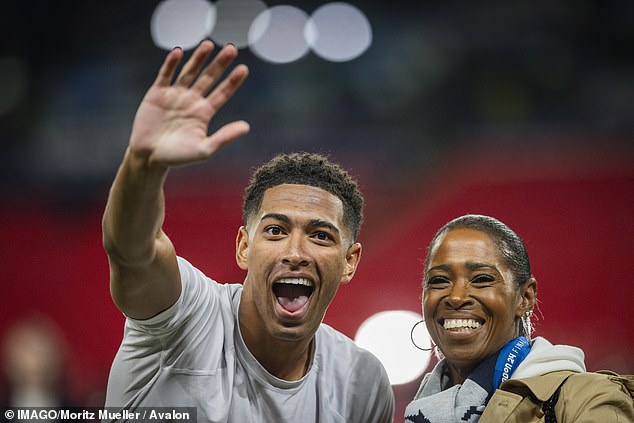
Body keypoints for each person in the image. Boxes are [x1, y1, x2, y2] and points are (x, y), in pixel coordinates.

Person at [101, 40, 394, 423]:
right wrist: (143, 163)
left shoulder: (363, 384)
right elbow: (132, 251)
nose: (296, 252)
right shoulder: (188, 316)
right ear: (244, 246)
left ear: (350, 261)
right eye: (275, 230)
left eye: (321, 236)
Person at [405, 214, 634, 423]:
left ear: (525, 297)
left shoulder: (588, 400)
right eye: (439, 281)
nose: (456, 297)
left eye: (482, 279)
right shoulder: (414, 410)